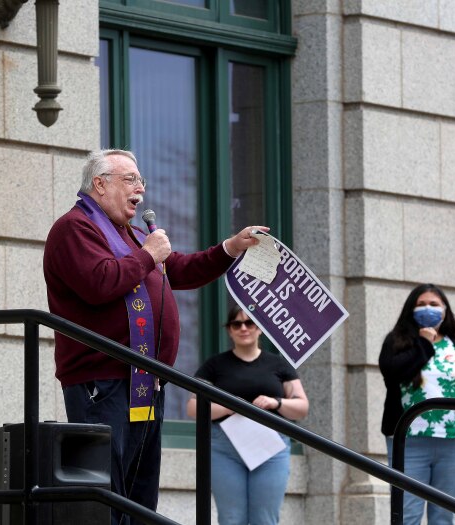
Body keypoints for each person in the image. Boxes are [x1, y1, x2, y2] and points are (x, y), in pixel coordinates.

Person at [43, 148, 266, 524]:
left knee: (139, 494)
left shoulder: (125, 234)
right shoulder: (74, 228)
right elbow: (100, 283)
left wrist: (231, 248)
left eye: (141, 181)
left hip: (144, 381)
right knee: (107, 494)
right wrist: (148, 254)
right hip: (104, 382)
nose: (140, 191)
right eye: (130, 180)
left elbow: (178, 269)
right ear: (100, 184)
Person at [378, 283, 455, 525]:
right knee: (407, 515)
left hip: (454, 440)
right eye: (421, 304)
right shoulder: (397, 340)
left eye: (434, 304)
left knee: (444, 517)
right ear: (411, 309)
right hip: (409, 440)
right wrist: (425, 344)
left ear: (445, 310)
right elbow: (392, 372)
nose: (427, 308)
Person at [186, 305, 309, 525]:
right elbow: (193, 407)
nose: (243, 328)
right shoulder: (214, 365)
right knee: (232, 518)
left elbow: (302, 406)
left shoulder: (278, 364)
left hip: (270, 446)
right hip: (225, 447)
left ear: (260, 329)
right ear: (229, 330)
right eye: (236, 324)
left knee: (265, 518)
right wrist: (229, 406)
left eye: (249, 323)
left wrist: (276, 402)